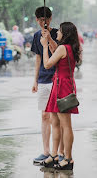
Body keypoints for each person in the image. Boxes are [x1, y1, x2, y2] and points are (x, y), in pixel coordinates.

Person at [41, 22, 81, 171]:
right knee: (55, 122)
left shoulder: (63, 48)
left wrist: (45, 46)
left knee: (65, 124)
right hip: (61, 85)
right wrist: (49, 40)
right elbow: (56, 50)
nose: (57, 33)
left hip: (62, 87)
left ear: (65, 34)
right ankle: (55, 154)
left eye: (59, 31)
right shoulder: (69, 48)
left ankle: (68, 158)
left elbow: (47, 64)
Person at [31, 6, 63, 165]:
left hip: (57, 78)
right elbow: (38, 59)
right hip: (43, 79)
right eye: (41, 20)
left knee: (56, 116)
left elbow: (58, 52)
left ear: (50, 19)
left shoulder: (58, 33)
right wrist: (35, 80)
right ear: (37, 20)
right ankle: (45, 151)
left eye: (46, 19)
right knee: (44, 115)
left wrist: (49, 39)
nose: (44, 22)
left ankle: (58, 152)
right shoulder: (36, 35)